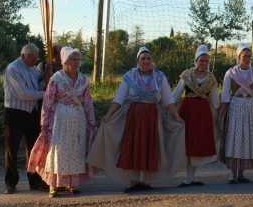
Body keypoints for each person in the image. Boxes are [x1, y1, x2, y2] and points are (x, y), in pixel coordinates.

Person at [87, 47, 186, 192]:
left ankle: (145, 180)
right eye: (143, 58)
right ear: (138, 61)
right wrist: (108, 115)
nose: (146, 61)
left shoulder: (160, 76)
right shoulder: (130, 76)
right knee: (133, 147)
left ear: (152, 61)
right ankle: (133, 180)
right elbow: (119, 97)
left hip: (153, 115)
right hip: (133, 116)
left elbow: (167, 99)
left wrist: (177, 117)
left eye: (148, 58)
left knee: (149, 146)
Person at [27, 47, 98, 197]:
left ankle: (72, 183)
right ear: (65, 61)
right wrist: (44, 123)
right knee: (57, 150)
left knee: (75, 149)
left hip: (77, 118)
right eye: (73, 59)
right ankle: (53, 184)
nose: (77, 62)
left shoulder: (83, 80)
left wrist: (91, 122)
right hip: (60, 118)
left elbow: (87, 102)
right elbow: (47, 101)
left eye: (78, 59)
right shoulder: (56, 79)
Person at [218, 44, 253, 184]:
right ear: (238, 57)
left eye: (249, 56)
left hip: (251, 108)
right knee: (234, 139)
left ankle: (242, 173)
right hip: (236, 107)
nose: (247, 59)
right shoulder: (230, 73)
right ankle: (232, 173)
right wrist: (220, 115)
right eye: (245, 56)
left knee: (246, 139)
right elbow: (225, 97)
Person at [3, 44, 49, 194]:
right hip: (15, 111)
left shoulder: (32, 69)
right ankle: (11, 182)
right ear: (23, 55)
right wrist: (46, 95)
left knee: (33, 147)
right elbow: (24, 94)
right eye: (31, 58)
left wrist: (47, 80)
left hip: (31, 112)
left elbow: (37, 87)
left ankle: (34, 180)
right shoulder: (13, 69)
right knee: (12, 148)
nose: (34, 61)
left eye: (36, 58)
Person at [172, 44, 220, 187]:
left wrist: (219, 112)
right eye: (201, 60)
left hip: (203, 112)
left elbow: (215, 99)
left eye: (206, 61)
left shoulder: (210, 78)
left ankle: (191, 178)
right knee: (188, 141)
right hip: (188, 111)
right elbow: (176, 95)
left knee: (197, 143)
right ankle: (188, 177)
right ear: (195, 61)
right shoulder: (187, 75)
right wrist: (168, 106)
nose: (203, 63)